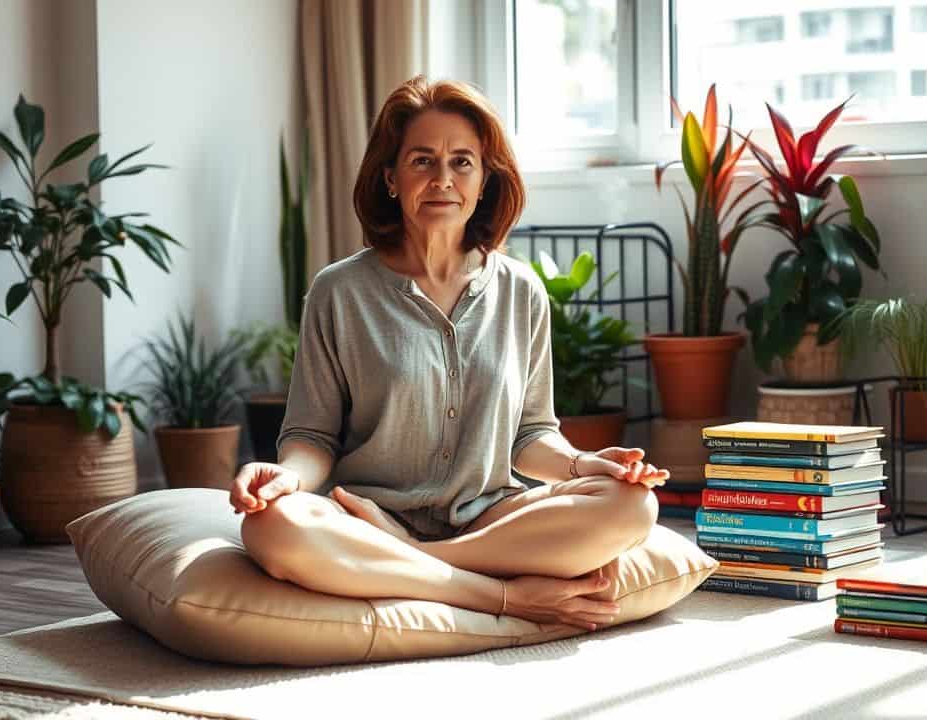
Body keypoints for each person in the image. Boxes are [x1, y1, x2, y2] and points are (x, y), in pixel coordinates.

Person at [231, 75, 669, 632]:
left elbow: (531, 435)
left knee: (633, 507)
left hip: (491, 517)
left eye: (462, 162)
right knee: (271, 528)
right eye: (422, 161)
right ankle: (495, 595)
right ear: (390, 177)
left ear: (485, 180)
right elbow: (313, 436)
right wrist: (286, 476)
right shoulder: (338, 292)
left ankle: (408, 564)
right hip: (367, 513)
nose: (443, 179)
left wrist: (585, 465)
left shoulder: (521, 290)